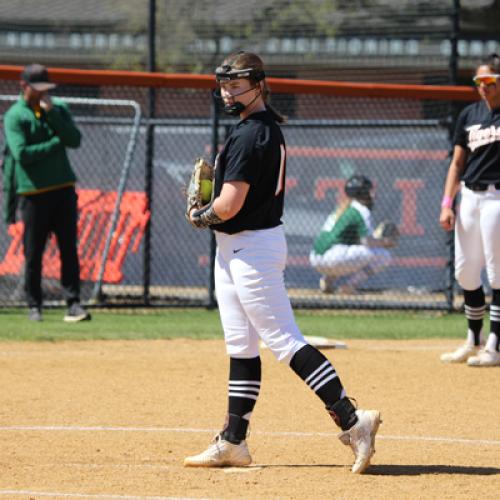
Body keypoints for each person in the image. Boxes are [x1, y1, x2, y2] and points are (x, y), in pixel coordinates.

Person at [184, 51, 381, 473]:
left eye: (237, 84)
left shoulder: (252, 133)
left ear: (258, 84)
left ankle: (353, 420)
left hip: (250, 249)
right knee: (241, 346)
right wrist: (212, 216)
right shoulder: (259, 128)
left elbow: (230, 204)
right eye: (224, 84)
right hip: (237, 249)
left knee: (285, 342)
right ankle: (233, 441)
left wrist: (200, 215)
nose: (228, 91)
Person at [3, 63, 90, 322]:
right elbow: (22, 155)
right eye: (37, 89)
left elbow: (74, 139)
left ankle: (73, 304)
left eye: (45, 89)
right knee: (33, 254)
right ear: (24, 86)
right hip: (33, 194)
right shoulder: (15, 115)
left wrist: (52, 116)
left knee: (69, 251)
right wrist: (55, 143)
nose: (42, 93)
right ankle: (34, 305)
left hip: (63, 190)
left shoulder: (57, 108)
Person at [439, 53, 500, 367]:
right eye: (479, 81)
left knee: (498, 273)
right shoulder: (470, 115)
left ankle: (495, 344)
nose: (483, 87)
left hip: (497, 199)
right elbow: (457, 163)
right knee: (465, 271)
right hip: (469, 198)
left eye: (490, 81)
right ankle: (473, 339)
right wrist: (447, 204)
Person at [309, 175, 395, 294]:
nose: (373, 194)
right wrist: (385, 242)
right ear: (362, 193)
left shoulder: (342, 208)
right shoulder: (362, 210)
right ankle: (350, 286)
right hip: (333, 259)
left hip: (315, 258)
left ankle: (327, 281)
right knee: (384, 256)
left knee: (344, 248)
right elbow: (367, 242)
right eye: (370, 191)